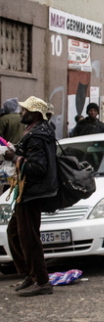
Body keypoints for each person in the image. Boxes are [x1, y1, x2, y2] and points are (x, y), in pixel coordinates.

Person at [5, 97, 58, 297]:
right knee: (15, 233)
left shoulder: (37, 136)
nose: (21, 113)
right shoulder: (36, 132)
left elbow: (37, 167)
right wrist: (16, 150)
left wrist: (16, 158)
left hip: (32, 193)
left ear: (35, 114)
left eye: (25, 110)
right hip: (26, 192)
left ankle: (42, 281)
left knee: (30, 238)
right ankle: (30, 274)